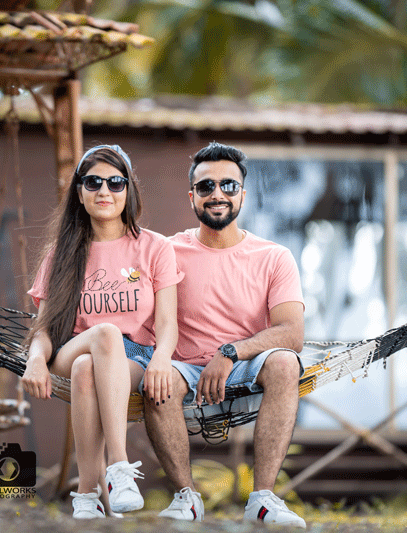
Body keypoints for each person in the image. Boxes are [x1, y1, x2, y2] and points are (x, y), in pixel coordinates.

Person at [144, 142, 307, 528]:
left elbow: (292, 333)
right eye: (206, 187)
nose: (217, 194)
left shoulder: (273, 257)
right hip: (183, 369)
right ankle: (187, 497)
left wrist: (231, 352)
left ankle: (263, 500)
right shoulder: (166, 252)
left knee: (285, 362)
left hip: (244, 368)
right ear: (192, 196)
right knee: (156, 378)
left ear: (243, 195)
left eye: (228, 186)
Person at [22, 145, 182, 519]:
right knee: (102, 337)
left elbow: (167, 324)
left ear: (129, 190)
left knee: (86, 371)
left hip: (135, 358)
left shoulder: (155, 247)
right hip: (72, 349)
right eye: (93, 182)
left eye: (115, 182)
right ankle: (120, 468)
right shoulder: (62, 253)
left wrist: (161, 359)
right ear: (79, 191)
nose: (104, 191)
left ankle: (87, 495)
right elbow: (44, 327)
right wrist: (34, 359)